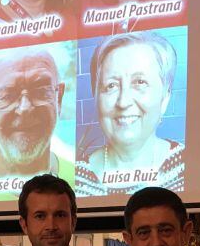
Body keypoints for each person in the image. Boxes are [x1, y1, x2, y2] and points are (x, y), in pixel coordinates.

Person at [76, 32, 184, 197]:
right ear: (96, 97)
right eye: (111, 85)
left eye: (140, 82)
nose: (123, 102)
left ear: (165, 96)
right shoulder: (76, 177)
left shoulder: (188, 166)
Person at [0, 49, 75, 196]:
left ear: (58, 99)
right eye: (8, 95)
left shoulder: (84, 180)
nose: (25, 108)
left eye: (41, 91)